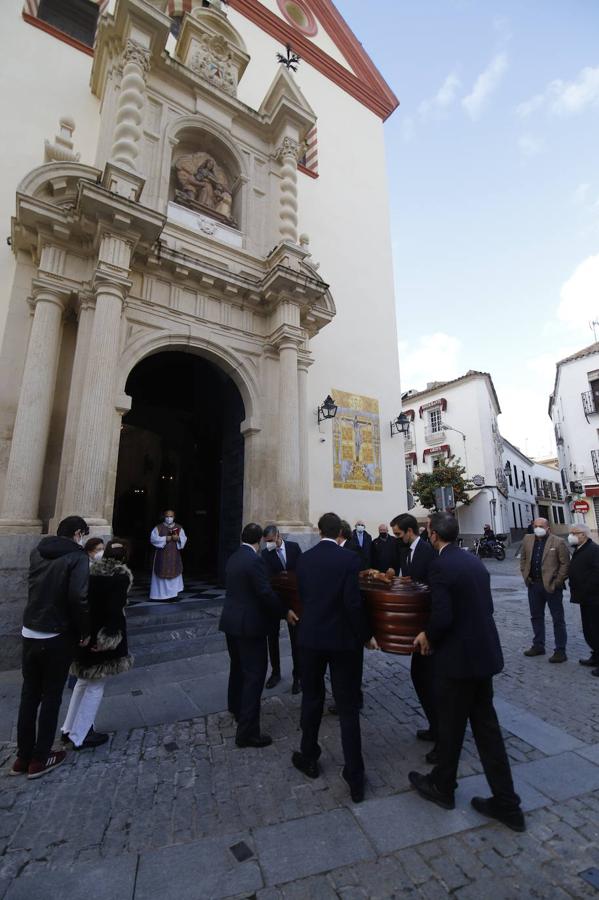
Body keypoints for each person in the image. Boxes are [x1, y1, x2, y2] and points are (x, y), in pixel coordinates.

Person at [409, 512, 525, 833]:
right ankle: (507, 802)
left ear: (432, 535)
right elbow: (483, 608)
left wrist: (427, 635)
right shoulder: (473, 562)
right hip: (483, 658)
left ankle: (443, 787)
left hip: (458, 662)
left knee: (450, 725)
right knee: (487, 732)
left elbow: (443, 616)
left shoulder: (440, 565)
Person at [292, 512, 377, 803]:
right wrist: (366, 635)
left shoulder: (304, 560)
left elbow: (303, 597)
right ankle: (355, 776)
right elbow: (353, 604)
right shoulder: (349, 560)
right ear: (341, 532)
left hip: (311, 639)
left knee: (312, 698)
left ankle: (309, 756)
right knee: (348, 707)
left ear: (318, 531)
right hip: (343, 641)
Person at [11, 516, 91, 780]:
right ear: (78, 533)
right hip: (56, 633)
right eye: (82, 534)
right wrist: (84, 631)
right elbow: (78, 596)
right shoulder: (77, 557)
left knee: (29, 694)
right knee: (52, 695)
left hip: (30, 629)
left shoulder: (38, 552)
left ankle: (22, 757)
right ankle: (41, 756)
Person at [219, 523, 297, 748]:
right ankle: (248, 732)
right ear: (260, 540)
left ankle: (235, 707)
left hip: (230, 622)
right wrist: (284, 611)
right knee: (255, 674)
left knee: (237, 667)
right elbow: (265, 592)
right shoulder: (255, 561)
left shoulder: (234, 557)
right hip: (249, 626)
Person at [61, 539, 134, 751]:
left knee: (82, 682)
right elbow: (114, 612)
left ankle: (68, 728)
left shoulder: (91, 572)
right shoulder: (120, 577)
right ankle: (81, 735)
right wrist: (108, 639)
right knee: (95, 687)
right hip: (102, 637)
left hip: (85, 634)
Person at [391, 513, 437, 754]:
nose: (397, 539)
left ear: (410, 532)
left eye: (399, 534)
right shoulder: (405, 550)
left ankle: (440, 731)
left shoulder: (427, 552)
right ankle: (434, 726)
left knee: (427, 679)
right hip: (417, 626)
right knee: (420, 678)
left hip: (428, 627)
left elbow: (431, 587)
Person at [519, 517, 569, 662]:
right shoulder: (527, 539)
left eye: (541, 526)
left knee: (557, 619)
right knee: (536, 616)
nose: (538, 528)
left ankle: (560, 650)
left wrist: (558, 581)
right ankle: (538, 645)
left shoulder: (558, 542)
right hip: (534, 585)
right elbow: (523, 559)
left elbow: (565, 564)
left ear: (548, 528)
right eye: (535, 526)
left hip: (551, 586)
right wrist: (525, 575)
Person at [261, 524, 303, 693]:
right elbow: (267, 580)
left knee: (296, 641)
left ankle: (297, 676)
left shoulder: (294, 547)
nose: (268, 544)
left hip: (293, 601)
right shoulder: (265, 554)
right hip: (275, 601)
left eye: (270, 541)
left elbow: (301, 571)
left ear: (278, 536)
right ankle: (276, 672)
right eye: (266, 541)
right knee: (272, 638)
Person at [567, 524, 599, 675]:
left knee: (596, 629)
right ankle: (595, 656)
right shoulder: (579, 548)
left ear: (584, 535)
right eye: (571, 533)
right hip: (584, 598)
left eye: (575, 533)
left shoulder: (593, 550)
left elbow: (596, 574)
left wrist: (586, 588)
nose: (571, 535)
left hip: (593, 598)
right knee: (589, 629)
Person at [150, 509, 187, 601]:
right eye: (167, 516)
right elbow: (153, 539)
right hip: (161, 556)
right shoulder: (158, 528)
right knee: (161, 574)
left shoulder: (179, 527)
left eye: (171, 516)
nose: (169, 518)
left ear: (174, 517)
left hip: (174, 556)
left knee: (175, 574)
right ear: (164, 517)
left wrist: (178, 538)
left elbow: (184, 538)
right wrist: (165, 538)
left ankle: (173, 595)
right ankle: (160, 596)